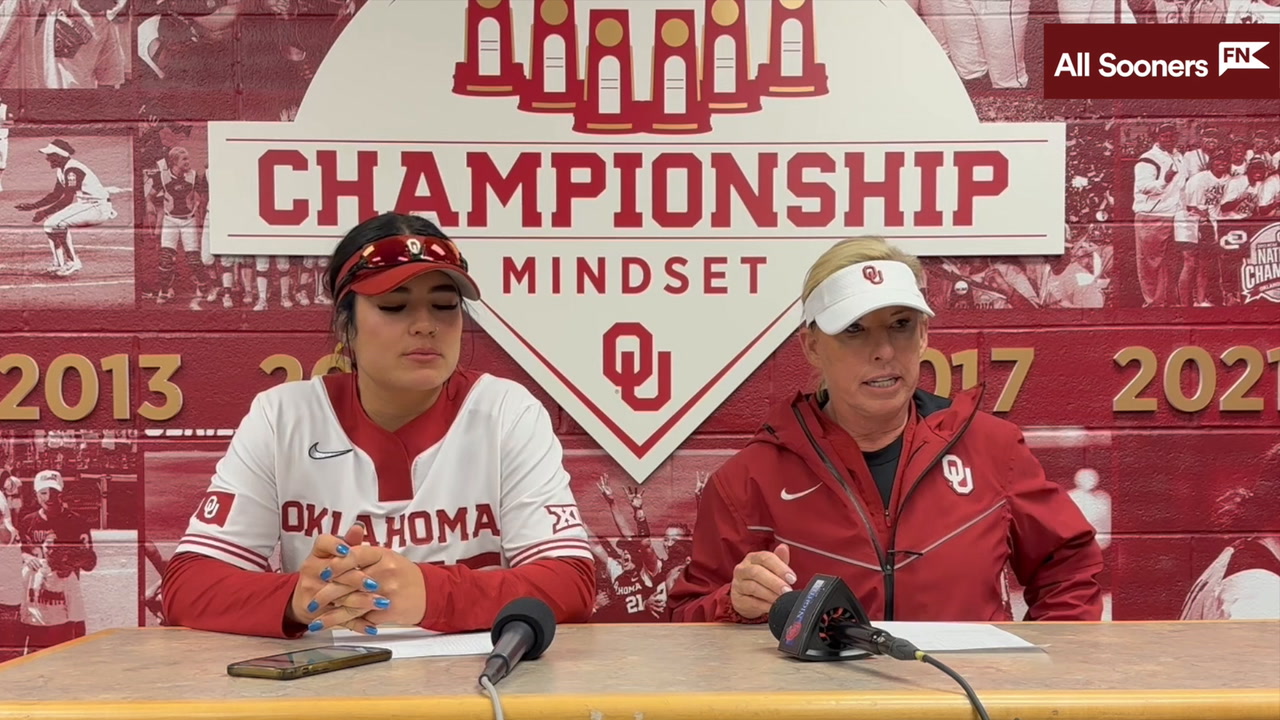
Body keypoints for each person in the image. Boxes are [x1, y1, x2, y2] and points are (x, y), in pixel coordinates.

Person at [160, 212, 596, 638]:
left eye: (444, 306)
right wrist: (302, 597)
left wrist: (429, 593)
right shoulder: (283, 416)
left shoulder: (505, 411)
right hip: (325, 688)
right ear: (346, 325)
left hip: (480, 687)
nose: (426, 326)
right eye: (394, 306)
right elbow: (186, 587)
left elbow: (570, 583)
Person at [668, 237, 1104, 623]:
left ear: (923, 336)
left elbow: (1069, 568)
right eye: (855, 330)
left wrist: (1040, 676)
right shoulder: (749, 480)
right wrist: (733, 604)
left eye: (900, 325)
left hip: (966, 706)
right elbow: (687, 617)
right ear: (812, 346)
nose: (883, 351)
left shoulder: (992, 449)